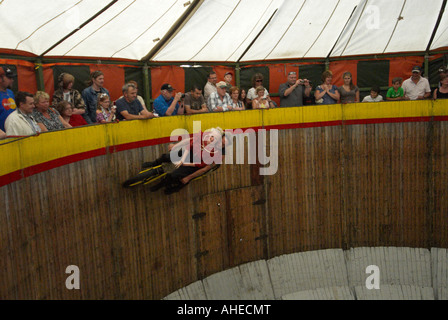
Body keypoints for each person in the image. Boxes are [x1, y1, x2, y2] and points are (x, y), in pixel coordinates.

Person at [145, 127, 227, 195]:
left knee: (179, 177)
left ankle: (170, 186)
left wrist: (188, 177)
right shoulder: (208, 137)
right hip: (193, 154)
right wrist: (175, 145)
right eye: (220, 141)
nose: (220, 144)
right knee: (167, 157)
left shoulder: (219, 154)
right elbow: (190, 140)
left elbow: (203, 168)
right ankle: (153, 163)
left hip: (200, 164)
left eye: (223, 145)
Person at [0, 66, 17, 132]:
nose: (12, 80)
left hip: (13, 133)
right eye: (9, 78)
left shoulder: (10, 93)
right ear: (0, 79)